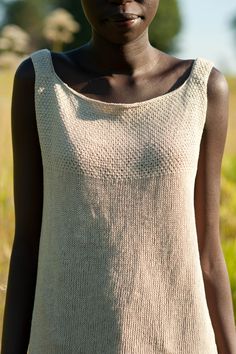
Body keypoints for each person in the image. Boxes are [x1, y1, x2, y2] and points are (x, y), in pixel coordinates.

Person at [1, 0, 236, 353]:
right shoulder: (39, 83)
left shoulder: (203, 88)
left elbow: (207, 252)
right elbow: (27, 245)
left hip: (179, 341)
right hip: (64, 340)